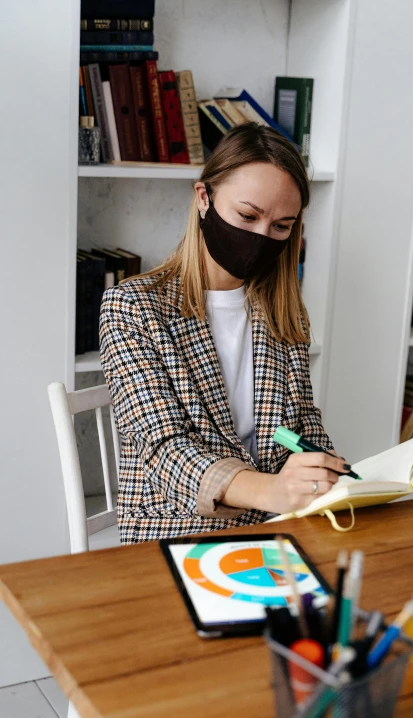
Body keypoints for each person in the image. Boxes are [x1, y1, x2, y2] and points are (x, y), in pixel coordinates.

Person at [99, 123, 350, 544]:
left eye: (281, 226)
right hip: (178, 532)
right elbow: (167, 451)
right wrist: (272, 490)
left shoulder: (284, 312)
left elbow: (301, 426)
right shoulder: (133, 308)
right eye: (248, 216)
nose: (260, 237)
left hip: (281, 528)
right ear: (204, 198)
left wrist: (328, 473)